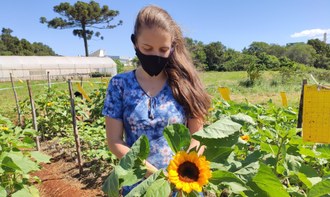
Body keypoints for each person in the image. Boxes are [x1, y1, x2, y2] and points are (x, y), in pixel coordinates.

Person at [102, 5, 211, 195]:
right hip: (139, 184)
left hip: (183, 185)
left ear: (172, 47)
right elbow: (114, 140)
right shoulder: (120, 85)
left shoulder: (184, 84)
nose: (155, 55)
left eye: (163, 49)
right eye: (147, 48)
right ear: (135, 43)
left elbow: (198, 138)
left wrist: (178, 175)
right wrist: (154, 175)